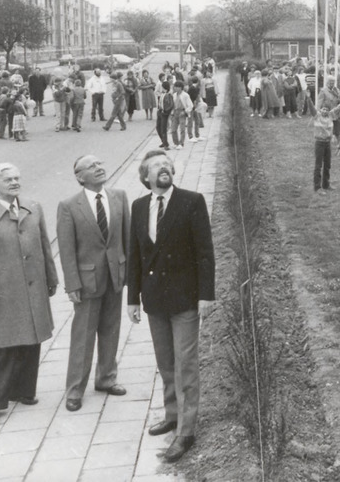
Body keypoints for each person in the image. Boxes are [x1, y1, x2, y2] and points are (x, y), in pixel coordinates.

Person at [127, 150, 215, 462]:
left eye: (167, 164)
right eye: (156, 166)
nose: (163, 168)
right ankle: (172, 414)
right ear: (145, 176)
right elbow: (135, 255)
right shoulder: (139, 207)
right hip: (154, 300)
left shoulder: (192, 201)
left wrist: (206, 295)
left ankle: (186, 432)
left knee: (185, 363)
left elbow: (205, 252)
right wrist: (132, 298)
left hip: (185, 298)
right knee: (165, 362)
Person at [0, 163, 59, 427]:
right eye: (8, 179)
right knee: (0, 348)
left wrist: (51, 277)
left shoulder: (33, 207)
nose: (15, 182)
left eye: (17, 178)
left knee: (31, 340)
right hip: (3, 295)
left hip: (33, 288)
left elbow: (44, 245)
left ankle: (23, 390)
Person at [57, 155, 131, 412]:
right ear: (80, 177)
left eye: (100, 163)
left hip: (115, 276)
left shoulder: (119, 196)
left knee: (111, 329)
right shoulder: (69, 206)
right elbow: (66, 250)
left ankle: (106, 378)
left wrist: (130, 274)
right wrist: (72, 285)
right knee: (83, 336)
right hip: (87, 282)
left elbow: (126, 237)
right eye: (92, 166)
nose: (99, 168)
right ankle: (75, 389)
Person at [312, 97, 340, 193]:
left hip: (327, 144)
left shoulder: (331, 115)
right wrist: (308, 98)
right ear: (320, 109)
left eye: (327, 109)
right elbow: (311, 107)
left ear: (329, 111)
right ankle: (317, 187)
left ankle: (326, 184)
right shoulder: (316, 116)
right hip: (319, 143)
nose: (325, 111)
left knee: (327, 164)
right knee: (318, 165)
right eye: (323, 109)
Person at [169, 80, 193, 149]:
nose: (175, 88)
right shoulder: (174, 95)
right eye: (175, 87)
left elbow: (190, 105)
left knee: (182, 129)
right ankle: (176, 142)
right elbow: (173, 105)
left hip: (182, 112)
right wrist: (172, 113)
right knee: (173, 129)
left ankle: (181, 143)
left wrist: (185, 111)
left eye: (177, 87)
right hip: (175, 112)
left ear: (180, 87)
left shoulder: (185, 95)